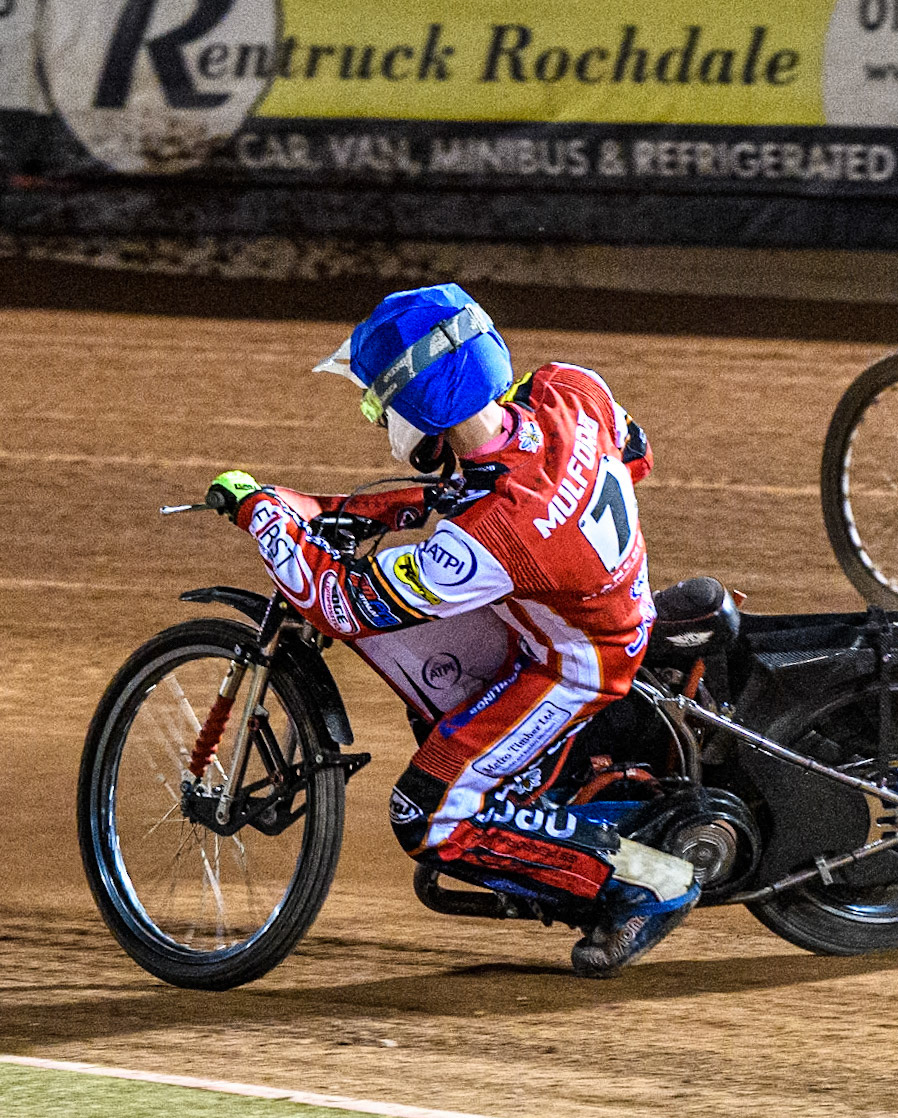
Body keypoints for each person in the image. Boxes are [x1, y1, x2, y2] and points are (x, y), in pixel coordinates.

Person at [202, 283, 697, 977]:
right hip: (590, 598)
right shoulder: (567, 388)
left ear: (412, 404)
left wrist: (263, 513)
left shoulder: (492, 537)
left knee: (424, 813)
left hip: (575, 663)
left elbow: (343, 603)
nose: (376, 420)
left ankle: (645, 883)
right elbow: (633, 451)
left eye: (377, 401)